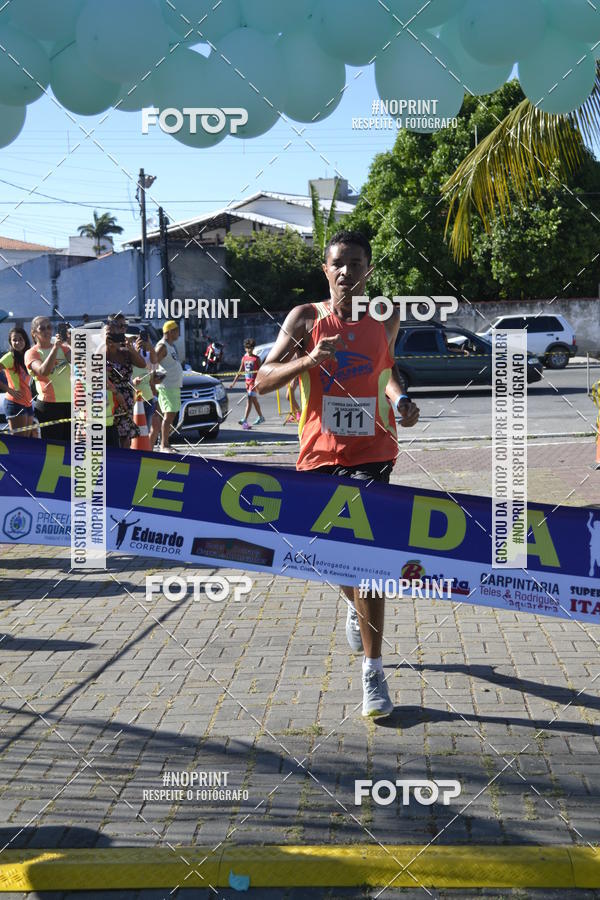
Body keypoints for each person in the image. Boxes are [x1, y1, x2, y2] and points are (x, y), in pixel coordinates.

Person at [255, 229, 420, 718]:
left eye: (354, 263)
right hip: (320, 456)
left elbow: (385, 372)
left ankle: (373, 673)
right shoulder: (306, 318)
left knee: (368, 562)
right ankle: (352, 603)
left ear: (368, 270)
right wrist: (308, 359)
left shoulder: (384, 320)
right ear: (326, 271)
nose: (346, 271)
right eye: (337, 263)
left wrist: (402, 399)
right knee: (334, 559)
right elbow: (261, 381)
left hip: (373, 451)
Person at [25, 316, 72, 442]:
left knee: (70, 448)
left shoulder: (63, 347)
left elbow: (80, 362)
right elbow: (43, 371)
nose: (47, 331)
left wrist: (74, 344)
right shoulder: (32, 353)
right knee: (54, 448)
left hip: (71, 404)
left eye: (49, 327)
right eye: (42, 328)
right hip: (49, 406)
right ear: (34, 333)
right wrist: (55, 349)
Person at [105, 314, 148, 449]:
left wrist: (131, 349)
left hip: (126, 396)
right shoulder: (102, 345)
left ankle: (124, 464)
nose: (123, 329)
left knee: (125, 434)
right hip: (108, 395)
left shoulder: (126, 347)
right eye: (120, 325)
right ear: (111, 326)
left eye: (125, 326)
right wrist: (107, 345)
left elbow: (142, 364)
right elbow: (97, 370)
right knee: (110, 432)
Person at [154, 320, 183, 452]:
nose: (178, 333)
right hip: (167, 386)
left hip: (173, 386)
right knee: (168, 415)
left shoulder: (170, 346)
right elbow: (153, 364)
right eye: (176, 330)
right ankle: (164, 445)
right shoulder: (162, 346)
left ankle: (166, 443)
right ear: (170, 332)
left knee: (171, 415)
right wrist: (155, 377)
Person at [0, 327, 34, 437]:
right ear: (10, 342)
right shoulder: (10, 357)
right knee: (20, 442)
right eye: (15, 340)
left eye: (21, 339)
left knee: (27, 441)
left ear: (25, 340)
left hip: (28, 403)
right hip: (15, 403)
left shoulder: (28, 355)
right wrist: (9, 390)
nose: (18, 342)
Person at [231, 338, 265, 430]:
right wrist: (233, 383)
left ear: (253, 348)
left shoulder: (257, 359)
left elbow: (261, 371)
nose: (249, 350)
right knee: (254, 401)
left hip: (253, 384)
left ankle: (245, 420)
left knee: (249, 400)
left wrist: (260, 382)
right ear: (245, 348)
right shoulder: (244, 358)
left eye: (251, 348)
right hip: (247, 383)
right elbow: (240, 371)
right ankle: (261, 417)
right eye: (247, 348)